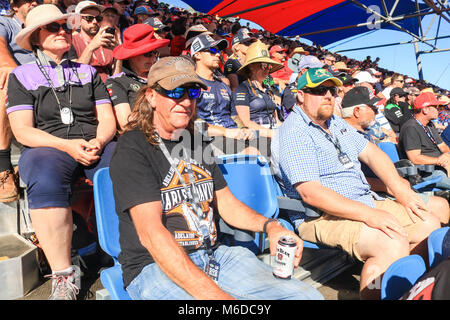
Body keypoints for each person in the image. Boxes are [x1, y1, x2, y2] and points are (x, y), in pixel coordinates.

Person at [108, 55, 323, 300]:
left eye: (192, 93)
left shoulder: (195, 142)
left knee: (307, 297)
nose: (186, 101)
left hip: (214, 256)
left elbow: (228, 205)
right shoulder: (133, 147)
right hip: (155, 266)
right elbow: (152, 234)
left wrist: (271, 226)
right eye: (176, 92)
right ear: (151, 97)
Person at [275, 68, 441, 299]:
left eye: (331, 90)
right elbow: (312, 194)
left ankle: (404, 291)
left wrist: (399, 189)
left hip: (362, 200)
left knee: (429, 223)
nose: (328, 96)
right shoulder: (295, 131)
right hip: (321, 215)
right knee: (391, 242)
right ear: (301, 95)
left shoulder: (334, 123)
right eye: (319, 90)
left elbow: (373, 154)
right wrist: (368, 214)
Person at [7, 4, 116, 299]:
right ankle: (63, 276)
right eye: (53, 28)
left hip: (93, 141)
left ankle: (131, 257)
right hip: (49, 145)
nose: (62, 32)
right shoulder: (22, 76)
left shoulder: (87, 71)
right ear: (35, 38)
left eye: (64, 27)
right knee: (43, 173)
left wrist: (101, 141)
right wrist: (66, 145)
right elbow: (22, 131)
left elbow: (106, 119)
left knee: (127, 163)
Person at [341, 87, 449, 225]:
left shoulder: (365, 134)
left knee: (441, 206)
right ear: (357, 111)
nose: (376, 111)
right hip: (371, 195)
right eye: (372, 108)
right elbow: (353, 180)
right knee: (437, 211)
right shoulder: (345, 138)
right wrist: (395, 187)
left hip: (387, 188)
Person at [191, 33, 256, 156]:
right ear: (197, 54)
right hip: (210, 139)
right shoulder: (191, 84)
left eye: (218, 51)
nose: (217, 54)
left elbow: (234, 116)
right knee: (253, 154)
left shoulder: (223, 85)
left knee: (271, 146)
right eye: (211, 50)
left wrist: (243, 130)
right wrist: (225, 132)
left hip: (233, 136)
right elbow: (193, 123)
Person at [0, 0, 37, 202]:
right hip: (19, 80)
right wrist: (19, 74)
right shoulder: (6, 23)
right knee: (6, 81)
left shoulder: (43, 26)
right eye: (27, 0)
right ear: (14, 6)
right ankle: (2, 166)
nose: (33, 3)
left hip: (43, 81)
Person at [106, 23, 169, 130]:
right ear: (131, 56)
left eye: (155, 53)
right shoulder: (118, 82)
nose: (153, 58)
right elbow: (126, 124)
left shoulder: (162, 77)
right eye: (148, 54)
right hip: (140, 140)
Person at [398, 91, 450, 190]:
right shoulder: (411, 127)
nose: (438, 110)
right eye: (436, 107)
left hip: (440, 166)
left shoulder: (429, 125)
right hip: (426, 172)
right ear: (425, 109)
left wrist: (447, 157)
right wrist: (440, 161)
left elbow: (443, 147)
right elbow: (415, 158)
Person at [233, 40, 283, 141]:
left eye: (269, 66)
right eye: (264, 65)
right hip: (256, 138)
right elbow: (246, 122)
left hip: (273, 134)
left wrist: (285, 130)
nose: (267, 69)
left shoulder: (268, 88)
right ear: (251, 67)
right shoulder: (243, 89)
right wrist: (273, 134)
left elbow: (276, 119)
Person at [70, 1, 119, 82]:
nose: (95, 22)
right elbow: (77, 73)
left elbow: (117, 76)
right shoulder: (72, 41)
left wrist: (118, 54)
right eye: (89, 18)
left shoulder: (107, 40)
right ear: (78, 19)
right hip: (86, 89)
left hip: (109, 88)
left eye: (98, 18)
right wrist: (91, 48)